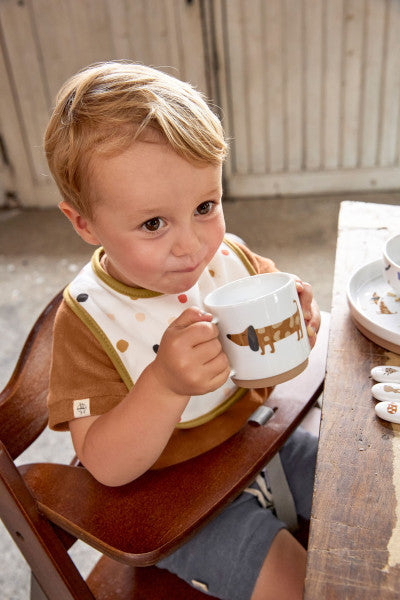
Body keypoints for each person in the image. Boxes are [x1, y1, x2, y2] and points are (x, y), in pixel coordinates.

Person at [45, 61, 321, 600]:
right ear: (84, 223)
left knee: (376, 505)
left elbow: (277, 333)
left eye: (204, 206)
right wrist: (164, 386)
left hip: (261, 445)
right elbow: (102, 464)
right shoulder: (86, 322)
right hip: (177, 506)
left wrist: (299, 320)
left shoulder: (226, 256)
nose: (192, 245)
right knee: (306, 586)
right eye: (153, 224)